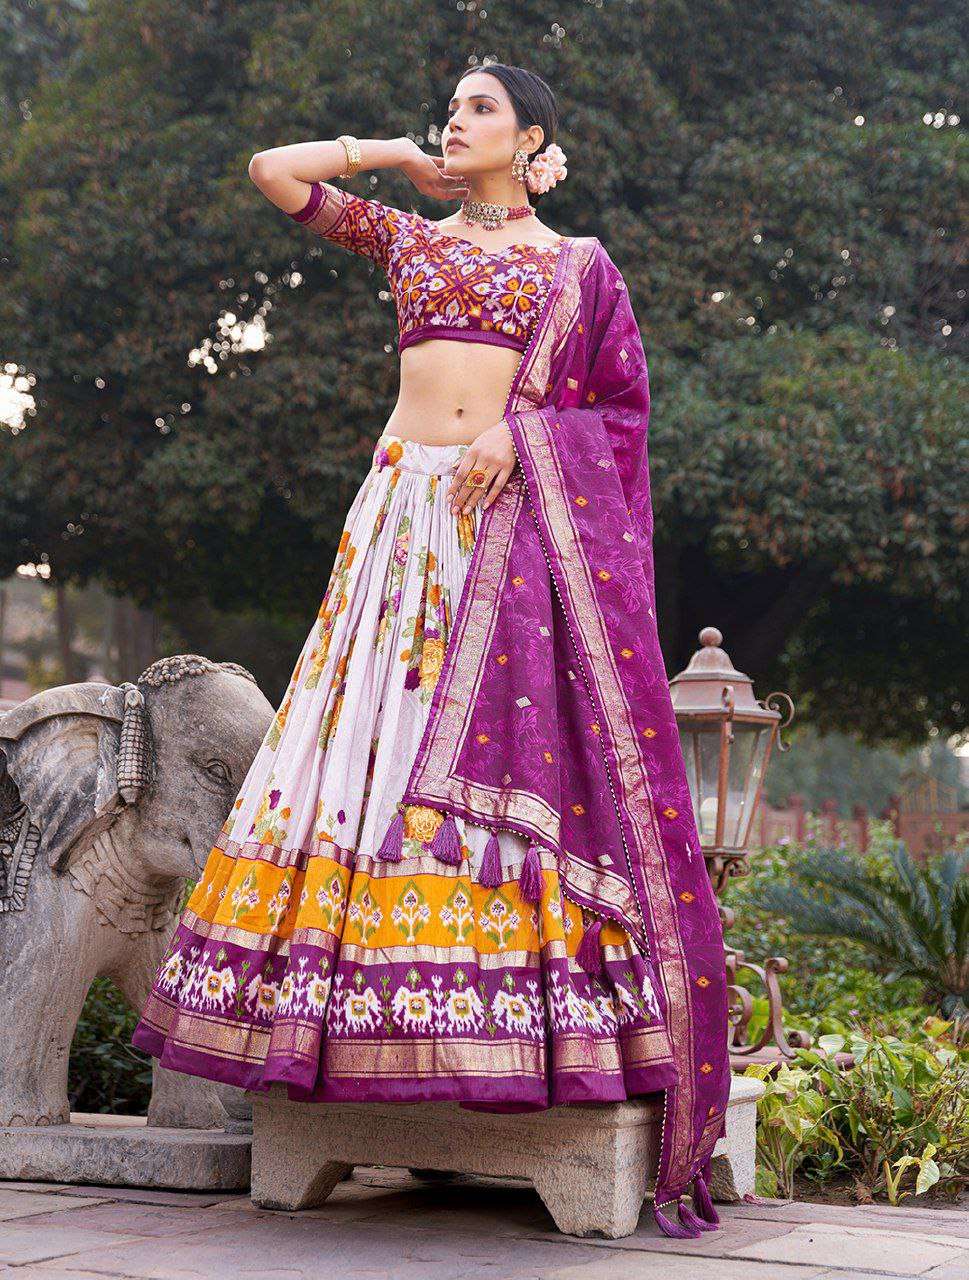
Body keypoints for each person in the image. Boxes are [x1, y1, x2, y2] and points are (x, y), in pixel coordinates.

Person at [131, 63, 729, 1239]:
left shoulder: (580, 268)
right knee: (366, 753)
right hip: (401, 522)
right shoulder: (411, 239)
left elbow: (618, 416)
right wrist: (389, 155)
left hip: (504, 538)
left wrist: (527, 432)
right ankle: (356, 1037)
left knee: (488, 769)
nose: (457, 121)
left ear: (533, 137)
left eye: (481, 108)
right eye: (451, 108)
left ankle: (501, 1040)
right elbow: (273, 173)